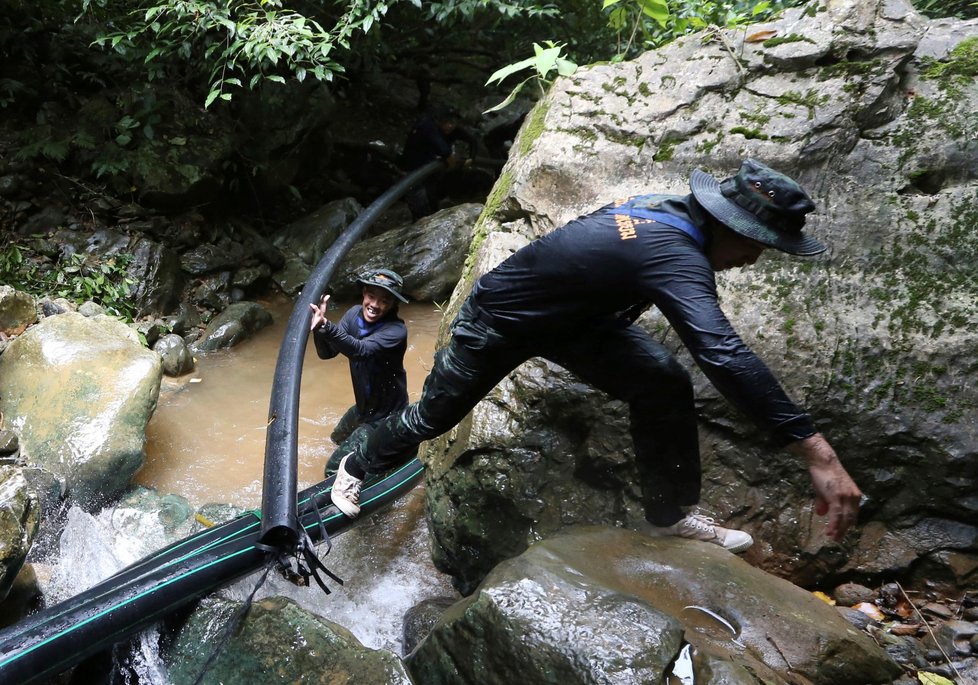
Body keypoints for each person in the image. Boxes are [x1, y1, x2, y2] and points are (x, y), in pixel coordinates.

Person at [330, 159, 863, 554]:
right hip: (498, 320)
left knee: (662, 379)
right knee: (434, 415)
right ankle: (357, 462)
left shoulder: (670, 212)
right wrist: (820, 455)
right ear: (726, 224)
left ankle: (667, 514)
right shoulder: (671, 249)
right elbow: (721, 351)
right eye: (755, 244)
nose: (751, 259)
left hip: (573, 323)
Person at [309, 269, 411, 476]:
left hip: (385, 416)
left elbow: (360, 351)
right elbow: (327, 353)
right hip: (365, 408)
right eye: (371, 296)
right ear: (364, 294)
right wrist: (319, 328)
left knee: (332, 469)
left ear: (393, 304)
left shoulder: (395, 332)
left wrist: (327, 326)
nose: (374, 305)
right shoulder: (353, 315)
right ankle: (366, 459)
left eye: (384, 300)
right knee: (337, 439)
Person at [399, 104, 480, 220]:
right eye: (447, 122)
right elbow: (444, 150)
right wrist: (450, 158)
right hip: (414, 170)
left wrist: (471, 158)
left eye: (453, 123)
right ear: (439, 121)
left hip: (431, 168)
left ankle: (433, 215)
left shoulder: (452, 131)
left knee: (432, 193)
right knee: (419, 204)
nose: (450, 126)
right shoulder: (427, 127)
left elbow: (472, 140)